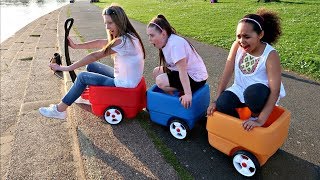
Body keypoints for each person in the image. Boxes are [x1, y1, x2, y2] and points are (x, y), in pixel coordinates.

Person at [39, 4, 145, 119]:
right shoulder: (130, 36)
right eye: (105, 23)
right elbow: (102, 42)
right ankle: (81, 94)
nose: (107, 27)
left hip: (124, 84)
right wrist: (76, 46)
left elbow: (95, 55)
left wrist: (65, 68)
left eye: (110, 23)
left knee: (82, 77)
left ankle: (59, 110)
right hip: (128, 79)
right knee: (92, 66)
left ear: (119, 21)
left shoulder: (122, 41)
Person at [207, 8, 286, 131]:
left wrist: (261, 120)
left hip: (259, 95)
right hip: (240, 89)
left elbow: (275, 91)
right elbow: (227, 73)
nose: (241, 41)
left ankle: (254, 118)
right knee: (222, 103)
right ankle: (240, 126)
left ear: (260, 35)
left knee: (253, 93)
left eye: (246, 37)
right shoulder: (237, 46)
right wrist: (215, 101)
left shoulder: (270, 55)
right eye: (238, 36)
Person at [146, 14, 208, 109]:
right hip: (186, 73)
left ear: (163, 33)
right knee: (156, 72)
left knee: (160, 81)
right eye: (148, 36)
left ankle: (177, 102)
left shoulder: (175, 45)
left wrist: (188, 94)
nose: (149, 39)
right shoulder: (165, 41)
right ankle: (172, 98)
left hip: (196, 78)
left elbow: (182, 71)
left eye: (152, 35)